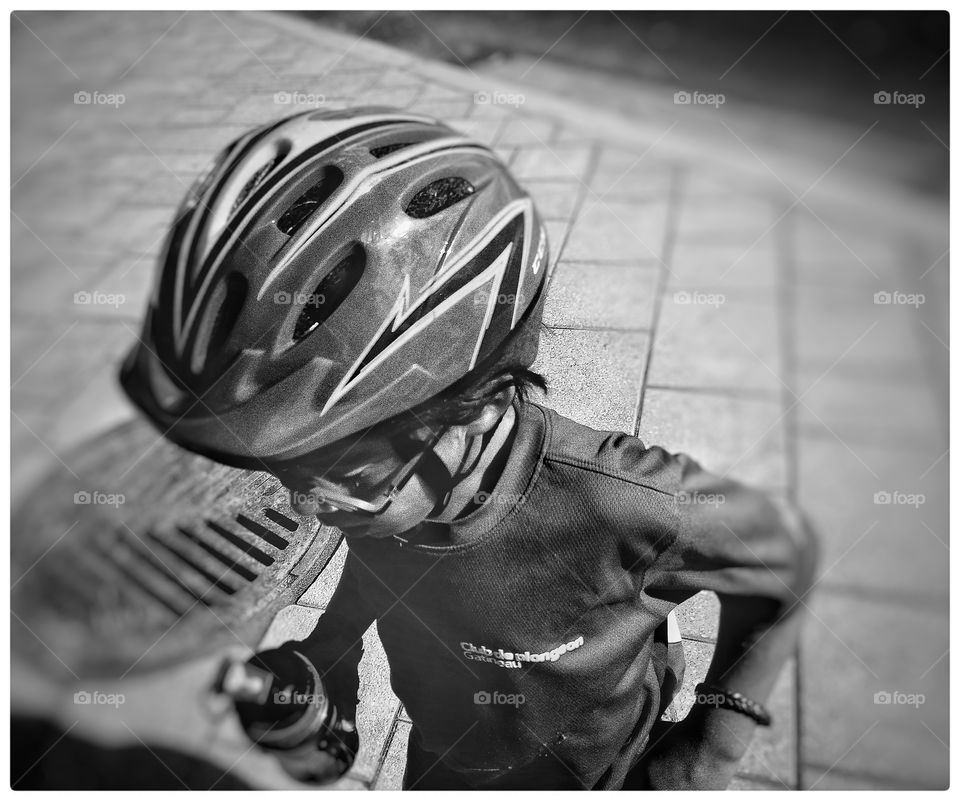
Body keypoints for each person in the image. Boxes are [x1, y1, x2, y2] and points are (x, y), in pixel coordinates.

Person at [120, 106, 819, 790]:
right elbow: (377, 573)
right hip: (445, 760)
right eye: (287, 474)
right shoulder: (377, 498)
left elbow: (785, 555)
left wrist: (707, 754)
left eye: (342, 474)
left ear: (476, 408)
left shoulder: (619, 500)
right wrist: (329, 659)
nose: (309, 507)